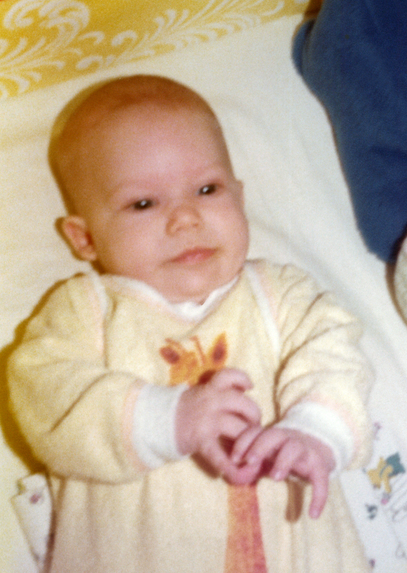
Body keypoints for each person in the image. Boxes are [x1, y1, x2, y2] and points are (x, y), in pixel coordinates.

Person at [8, 75, 374, 573]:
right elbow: (44, 394)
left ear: (239, 198)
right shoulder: (86, 309)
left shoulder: (280, 294)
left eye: (207, 189)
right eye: (143, 203)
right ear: (85, 238)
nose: (185, 218)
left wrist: (317, 429)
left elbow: (336, 352)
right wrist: (167, 419)